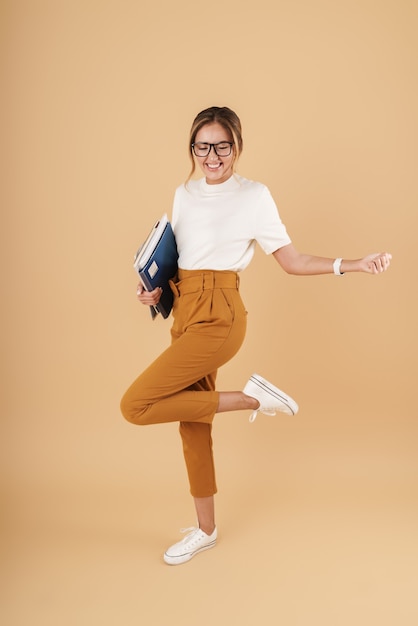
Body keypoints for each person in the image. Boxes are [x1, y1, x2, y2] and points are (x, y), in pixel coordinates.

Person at [120, 106, 391, 566]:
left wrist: (352, 264)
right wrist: (155, 294)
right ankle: (205, 530)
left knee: (135, 405)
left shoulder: (255, 197)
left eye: (221, 146)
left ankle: (251, 400)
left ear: (236, 147)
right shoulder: (183, 194)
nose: (212, 156)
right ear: (192, 149)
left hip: (221, 314)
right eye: (202, 146)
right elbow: (181, 262)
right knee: (192, 424)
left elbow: (292, 260)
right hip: (184, 310)